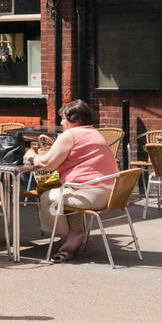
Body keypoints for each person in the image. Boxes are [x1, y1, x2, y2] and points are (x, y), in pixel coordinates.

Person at [26, 99, 118, 262]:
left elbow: (47, 164)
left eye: (63, 118)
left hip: (91, 195)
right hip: (111, 193)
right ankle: (75, 232)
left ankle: (67, 237)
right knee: (65, 191)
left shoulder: (70, 135)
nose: (61, 122)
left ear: (74, 120)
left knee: (47, 197)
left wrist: (33, 156)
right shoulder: (94, 133)